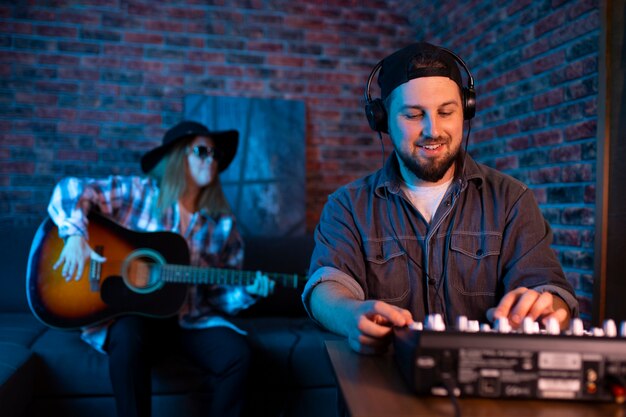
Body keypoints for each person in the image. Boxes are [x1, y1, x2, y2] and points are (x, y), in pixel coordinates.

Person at [302, 42, 579, 355]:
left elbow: (550, 288)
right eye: (413, 115)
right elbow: (325, 286)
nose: (433, 130)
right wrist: (350, 315)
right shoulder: (347, 205)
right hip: (380, 384)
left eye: (446, 112)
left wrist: (547, 306)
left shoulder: (512, 199)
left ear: (466, 110)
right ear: (383, 121)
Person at [48, 120, 275, 417]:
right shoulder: (137, 193)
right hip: (136, 315)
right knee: (127, 336)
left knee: (238, 355)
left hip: (188, 319)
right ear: (178, 155)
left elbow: (219, 295)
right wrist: (75, 234)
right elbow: (71, 188)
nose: (212, 159)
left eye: (215, 154)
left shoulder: (223, 225)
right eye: (203, 151)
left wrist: (245, 292)